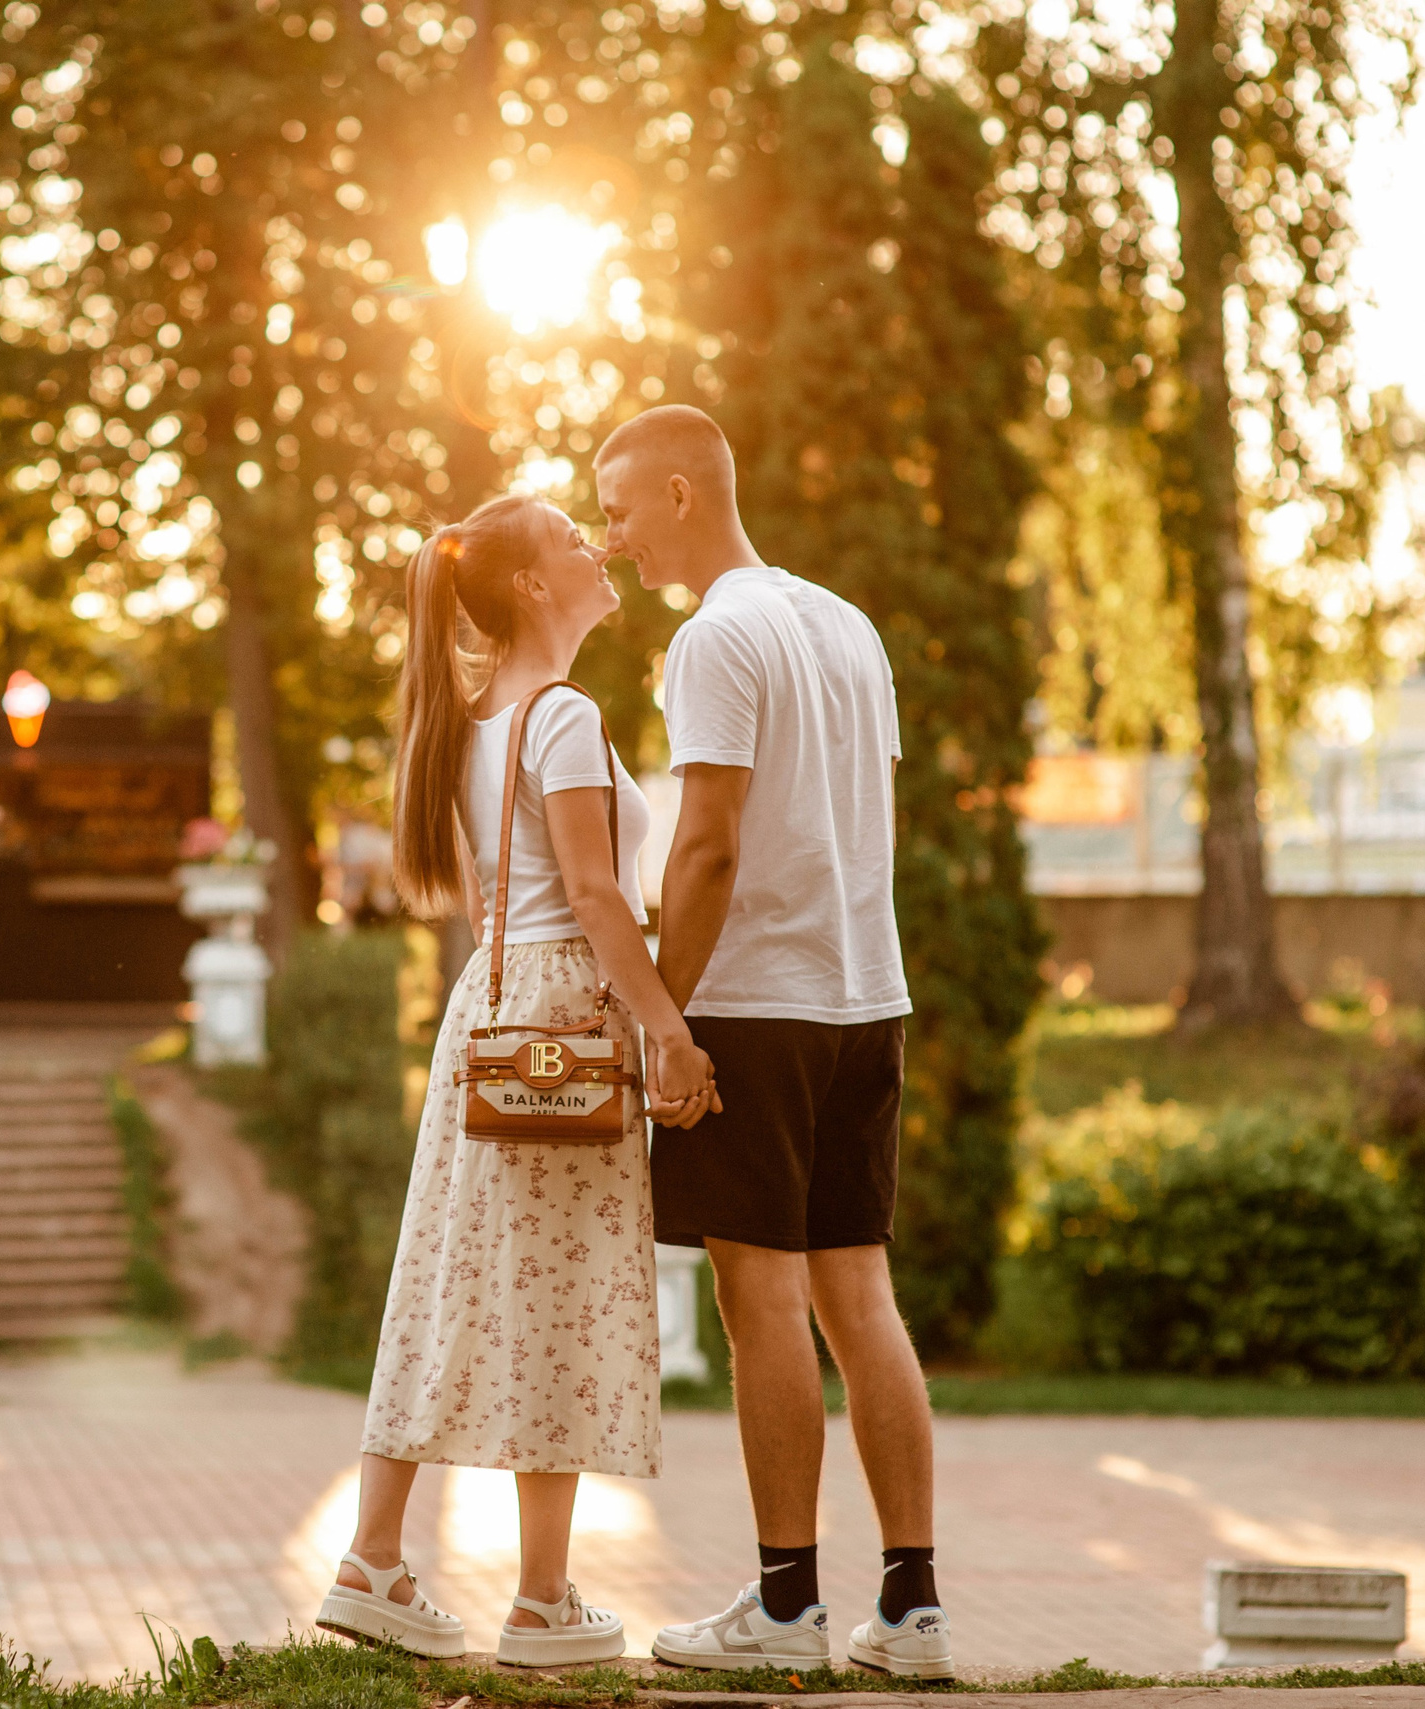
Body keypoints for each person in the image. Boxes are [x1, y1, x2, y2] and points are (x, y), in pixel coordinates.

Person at [315, 493, 717, 1667]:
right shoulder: (564, 713)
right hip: (565, 1013)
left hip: (487, 1012)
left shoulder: (475, 713)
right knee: (566, 1290)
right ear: (535, 586)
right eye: (570, 538)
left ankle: (374, 1556)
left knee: (443, 1278)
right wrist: (668, 1029)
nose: (596, 550)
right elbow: (596, 896)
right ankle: (539, 1599)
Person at [594, 405, 952, 1681]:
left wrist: (663, 1017)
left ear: (684, 491)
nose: (614, 534)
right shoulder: (845, 624)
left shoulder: (714, 637)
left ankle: (784, 1607)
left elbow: (708, 844)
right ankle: (911, 1611)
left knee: (759, 1306)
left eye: (622, 505)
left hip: (756, 1006)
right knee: (859, 1296)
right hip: (866, 999)